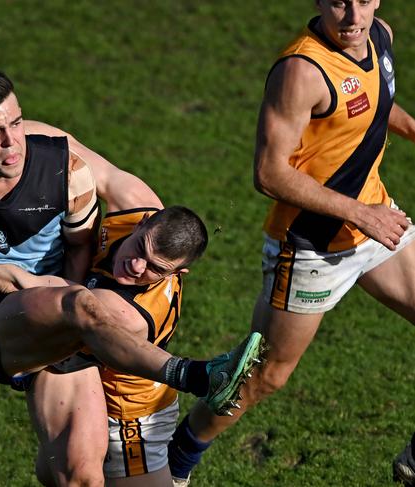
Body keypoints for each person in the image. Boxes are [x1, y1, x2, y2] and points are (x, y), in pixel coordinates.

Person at [0, 65, 263, 486]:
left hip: (68, 326)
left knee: (77, 477)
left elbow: (72, 252)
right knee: (76, 304)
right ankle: (197, 376)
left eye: (16, 124)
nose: (11, 140)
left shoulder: (66, 175)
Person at [167, 1, 415, 485]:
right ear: (318, 2)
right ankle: (174, 463)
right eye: (339, 2)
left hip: (374, 221)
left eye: (362, 0)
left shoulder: (379, 35)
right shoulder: (300, 71)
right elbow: (269, 173)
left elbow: (374, 99)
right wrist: (362, 213)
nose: (351, 15)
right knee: (264, 375)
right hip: (311, 247)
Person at [0, 182, 263, 486]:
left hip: (130, 418)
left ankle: (194, 384)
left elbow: (24, 284)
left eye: (155, 268)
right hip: (80, 375)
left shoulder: (124, 312)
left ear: (178, 273)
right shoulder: (135, 202)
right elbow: (72, 148)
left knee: (71, 475)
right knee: (61, 474)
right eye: (141, 249)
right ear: (146, 221)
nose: (137, 266)